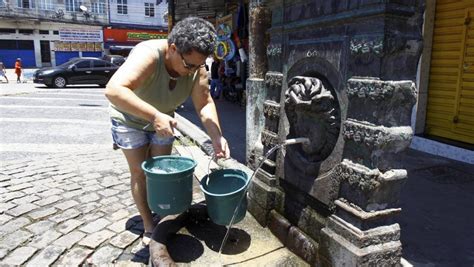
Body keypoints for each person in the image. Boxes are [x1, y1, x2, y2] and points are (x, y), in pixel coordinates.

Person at [105, 17, 230, 258]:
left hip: (164, 120)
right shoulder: (149, 54)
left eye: (199, 66)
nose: (193, 71)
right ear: (173, 49)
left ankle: (162, 214)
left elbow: (204, 103)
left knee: (162, 174)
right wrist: (154, 116)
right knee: (141, 172)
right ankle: (149, 225)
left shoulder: (197, 66)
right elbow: (114, 90)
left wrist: (216, 137)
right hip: (129, 119)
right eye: (189, 65)